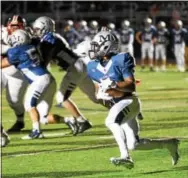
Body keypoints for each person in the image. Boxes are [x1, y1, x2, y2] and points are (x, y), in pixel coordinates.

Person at [87, 31, 180, 168]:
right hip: (118, 106)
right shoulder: (92, 66)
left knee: (111, 121)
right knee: (134, 144)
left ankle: (125, 157)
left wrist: (114, 85)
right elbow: (98, 91)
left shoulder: (121, 58)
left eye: (97, 45)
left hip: (129, 101)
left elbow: (131, 86)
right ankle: (170, 144)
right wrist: (100, 95)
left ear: (107, 46)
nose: (93, 49)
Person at [32, 16, 95, 135]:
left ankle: (82, 121)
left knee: (61, 98)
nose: (36, 32)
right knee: (96, 98)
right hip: (77, 66)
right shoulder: (50, 37)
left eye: (38, 29)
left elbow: (45, 61)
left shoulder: (50, 40)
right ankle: (119, 103)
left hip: (75, 67)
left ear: (45, 28)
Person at [1, 29, 56, 139]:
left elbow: (2, 64)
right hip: (43, 77)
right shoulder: (31, 45)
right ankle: (36, 130)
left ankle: (37, 131)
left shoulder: (15, 51)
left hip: (39, 79)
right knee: (29, 104)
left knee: (29, 105)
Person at [1, 15, 29, 132]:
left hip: (18, 73)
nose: (14, 28)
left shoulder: (26, 36)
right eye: (12, 26)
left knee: (14, 101)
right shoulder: (2, 32)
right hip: (1, 71)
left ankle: (20, 121)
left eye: (17, 26)